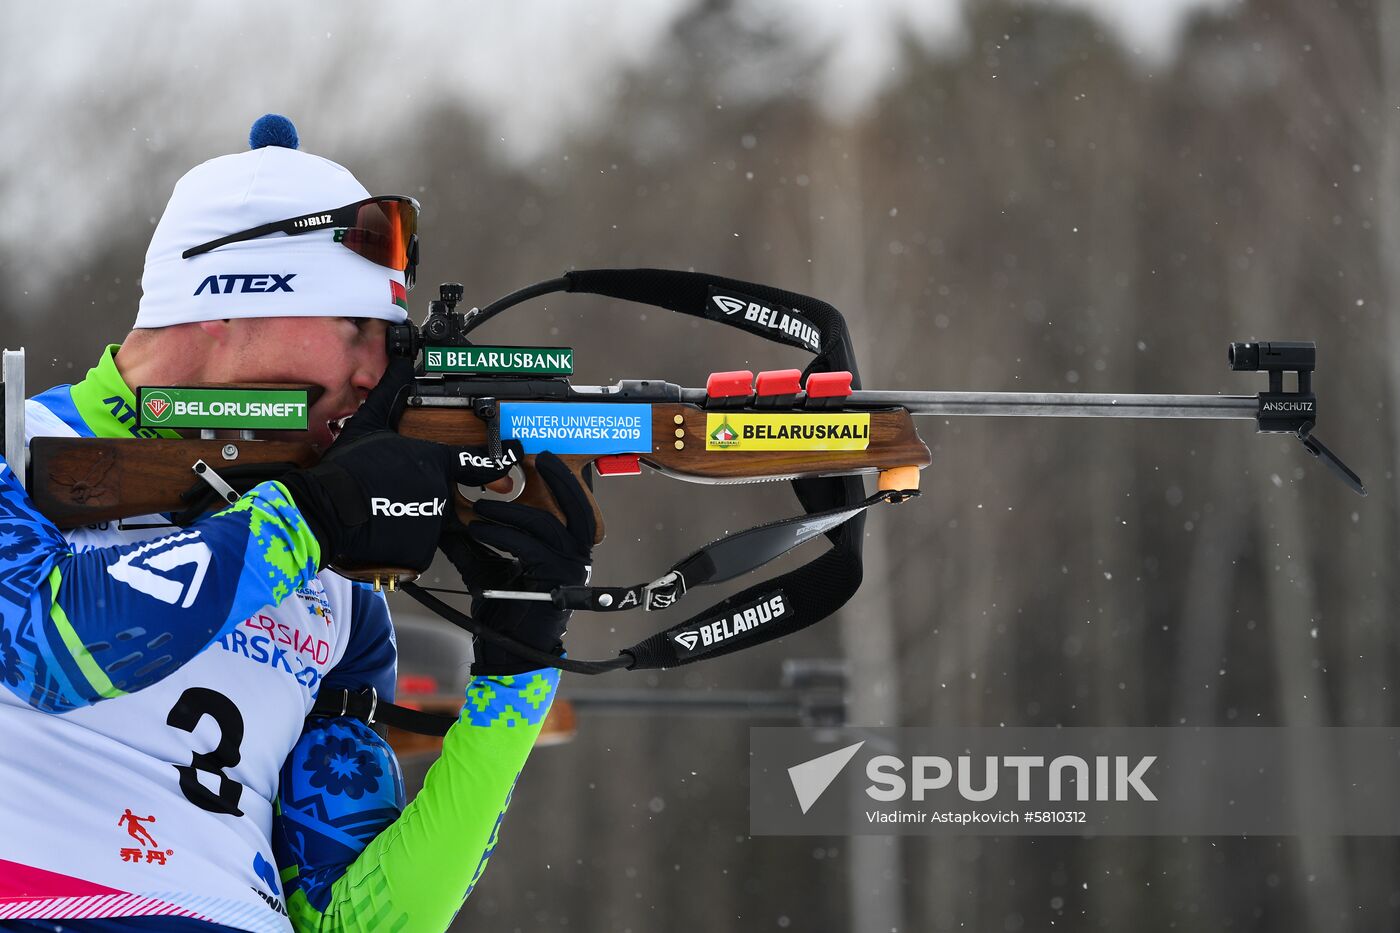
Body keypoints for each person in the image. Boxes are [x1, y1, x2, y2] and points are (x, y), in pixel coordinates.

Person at [0, 115, 589, 933]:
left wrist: (518, 671)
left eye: (388, 343)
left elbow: (359, 921)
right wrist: (315, 514)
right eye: (354, 329)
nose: (373, 375)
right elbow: (46, 645)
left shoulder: (341, 593)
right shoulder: (17, 450)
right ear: (226, 300)